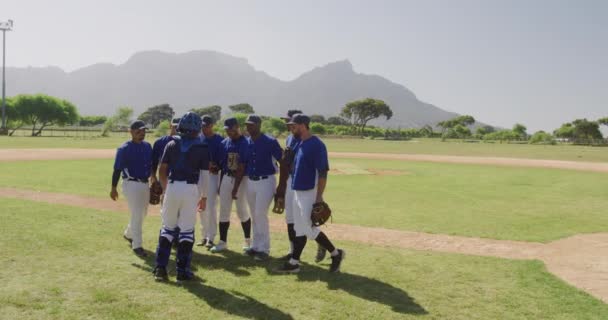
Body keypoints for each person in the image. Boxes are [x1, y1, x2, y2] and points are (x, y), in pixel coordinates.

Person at [276, 114, 344, 273]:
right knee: (300, 229)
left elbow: (322, 173)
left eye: (294, 125)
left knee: (306, 228)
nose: (291, 128)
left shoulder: (317, 145)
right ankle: (295, 263)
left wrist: (319, 196)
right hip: (296, 190)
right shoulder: (299, 143)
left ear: (303, 125)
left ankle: (334, 253)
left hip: (309, 192)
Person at [152, 112, 209, 282]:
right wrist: (203, 196)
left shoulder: (171, 144)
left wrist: (165, 190)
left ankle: (160, 269)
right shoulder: (202, 148)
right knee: (186, 231)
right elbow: (204, 177)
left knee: (167, 228)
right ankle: (182, 272)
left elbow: (162, 171)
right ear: (198, 129)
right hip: (190, 189)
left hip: (172, 187)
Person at [110, 120, 153, 258]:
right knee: (137, 213)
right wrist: (113, 187)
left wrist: (154, 179)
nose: (142, 134)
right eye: (138, 131)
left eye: (143, 131)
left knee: (143, 213)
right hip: (131, 183)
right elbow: (117, 169)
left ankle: (129, 233)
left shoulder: (147, 146)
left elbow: (151, 165)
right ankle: (137, 245)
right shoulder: (124, 149)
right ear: (131, 132)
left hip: (145, 183)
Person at [242, 115, 283, 261]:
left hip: (266, 181)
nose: (249, 127)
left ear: (259, 125)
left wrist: (282, 185)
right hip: (250, 182)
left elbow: (283, 161)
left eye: (252, 124)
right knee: (254, 214)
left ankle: (264, 249)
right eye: (247, 125)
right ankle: (255, 246)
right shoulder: (245, 142)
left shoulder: (270, 141)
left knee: (260, 213)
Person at [209, 117, 252, 253]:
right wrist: (216, 171)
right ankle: (222, 242)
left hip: (241, 179)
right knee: (224, 211)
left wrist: (235, 188)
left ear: (237, 127)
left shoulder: (245, 143)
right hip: (227, 177)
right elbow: (221, 165)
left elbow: (242, 167)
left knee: (241, 210)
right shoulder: (224, 143)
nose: (228, 132)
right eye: (226, 130)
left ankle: (248, 241)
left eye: (230, 129)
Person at [196, 115, 224, 249]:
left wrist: (217, 165)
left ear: (212, 125)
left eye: (206, 125)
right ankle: (203, 235)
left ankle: (211, 237)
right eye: (202, 126)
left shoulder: (219, 140)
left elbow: (223, 160)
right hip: (199, 175)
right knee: (201, 207)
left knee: (211, 206)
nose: (204, 128)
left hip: (212, 175)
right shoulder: (198, 138)